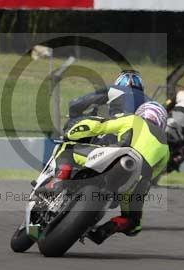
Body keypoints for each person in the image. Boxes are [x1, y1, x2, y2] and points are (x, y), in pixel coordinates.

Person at [55, 101, 170, 245]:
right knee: (133, 223)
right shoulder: (166, 148)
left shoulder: (133, 119)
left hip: (115, 158)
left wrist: (72, 132)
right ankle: (104, 231)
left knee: (68, 149)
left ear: (142, 112)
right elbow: (152, 176)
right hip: (135, 181)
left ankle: (58, 182)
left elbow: (100, 126)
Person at [68, 69, 150, 120]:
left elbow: (77, 104)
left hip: (115, 137)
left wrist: (75, 116)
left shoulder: (114, 90)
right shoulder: (149, 100)